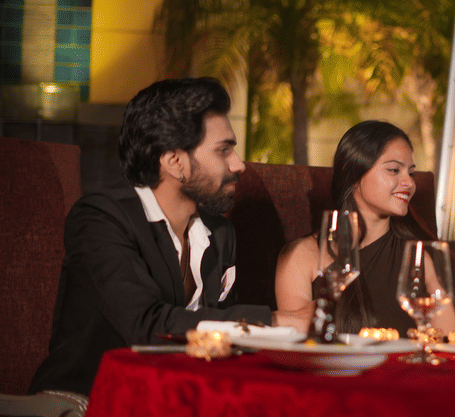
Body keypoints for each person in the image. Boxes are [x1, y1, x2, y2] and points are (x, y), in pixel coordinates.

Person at [29, 78, 309, 397]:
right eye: (223, 150)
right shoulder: (100, 219)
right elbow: (146, 327)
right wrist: (274, 320)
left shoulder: (220, 234)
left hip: (171, 399)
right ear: (175, 161)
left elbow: (218, 339)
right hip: (85, 402)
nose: (238, 164)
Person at [276, 120, 455, 334]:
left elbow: (450, 343)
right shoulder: (303, 256)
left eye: (411, 173)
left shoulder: (421, 256)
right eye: (394, 170)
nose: (409, 183)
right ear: (353, 173)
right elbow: (299, 341)